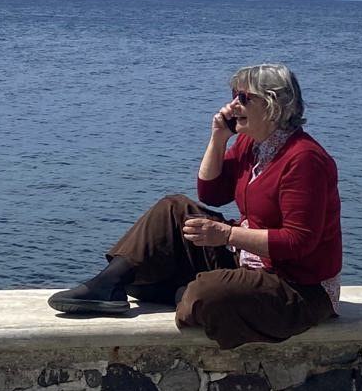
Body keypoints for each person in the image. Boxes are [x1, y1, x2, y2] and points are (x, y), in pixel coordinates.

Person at [47, 63, 342, 349]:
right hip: (248, 261)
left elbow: (298, 241)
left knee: (206, 294)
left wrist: (227, 235)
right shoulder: (252, 145)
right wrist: (218, 138)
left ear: (273, 104)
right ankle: (107, 285)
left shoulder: (304, 160)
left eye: (243, 98)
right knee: (173, 208)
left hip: (299, 288)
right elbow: (212, 192)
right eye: (234, 96)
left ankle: (184, 293)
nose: (233, 105)